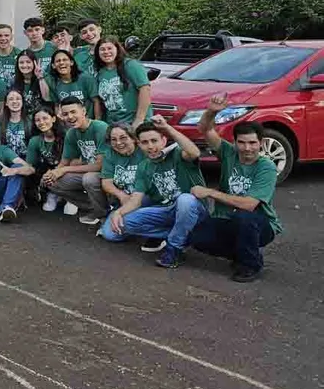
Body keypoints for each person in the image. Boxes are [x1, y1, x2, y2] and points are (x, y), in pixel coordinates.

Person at [188, 93, 282, 282]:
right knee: (196, 237)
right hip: (226, 219)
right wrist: (212, 112)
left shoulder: (266, 167)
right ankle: (242, 252)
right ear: (235, 142)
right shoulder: (229, 153)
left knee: (244, 217)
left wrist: (210, 192)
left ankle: (250, 265)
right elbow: (205, 129)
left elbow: (249, 204)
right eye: (242, 142)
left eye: (252, 143)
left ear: (261, 143)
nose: (247, 148)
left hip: (260, 225)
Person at [98, 117, 204, 268]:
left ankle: (174, 249)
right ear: (139, 144)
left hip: (193, 209)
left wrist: (167, 127)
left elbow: (194, 152)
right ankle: (180, 234)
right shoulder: (144, 166)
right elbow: (136, 200)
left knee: (185, 199)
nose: (150, 146)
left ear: (164, 140)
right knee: (114, 229)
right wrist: (118, 213)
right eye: (145, 142)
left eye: (154, 141)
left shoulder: (178, 154)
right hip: (166, 210)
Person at [43, 98, 108, 225]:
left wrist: (64, 169)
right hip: (89, 172)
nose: (70, 117)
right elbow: (64, 162)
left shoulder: (100, 127)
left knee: (89, 179)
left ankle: (102, 214)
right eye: (65, 114)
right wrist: (51, 174)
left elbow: (100, 165)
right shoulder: (72, 133)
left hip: (106, 173)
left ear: (83, 111)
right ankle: (96, 207)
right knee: (51, 182)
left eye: (73, 112)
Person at [94, 37, 151, 127]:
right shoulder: (100, 73)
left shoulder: (130, 65)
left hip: (133, 123)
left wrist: (139, 119)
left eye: (109, 48)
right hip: (113, 125)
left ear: (117, 49)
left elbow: (145, 90)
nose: (106, 52)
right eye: (102, 49)